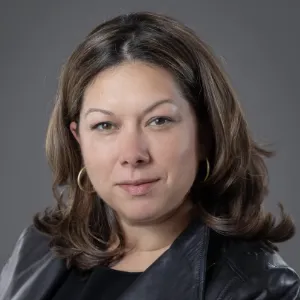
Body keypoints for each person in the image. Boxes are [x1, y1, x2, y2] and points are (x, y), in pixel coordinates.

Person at [0, 11, 299, 300]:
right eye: (105, 125)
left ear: (205, 134)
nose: (132, 155)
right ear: (78, 140)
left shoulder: (260, 289)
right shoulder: (37, 250)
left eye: (159, 121)